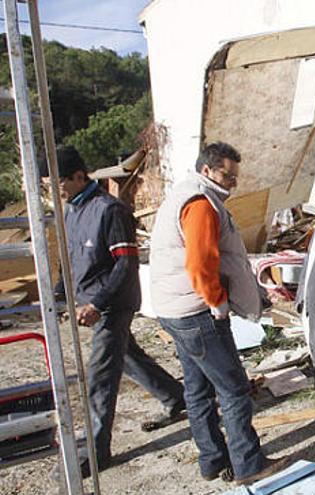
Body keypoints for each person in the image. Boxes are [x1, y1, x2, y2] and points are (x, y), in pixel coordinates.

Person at [149, 142, 285, 485]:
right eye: (227, 174)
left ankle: (212, 461)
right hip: (195, 311)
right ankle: (249, 465)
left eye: (236, 176)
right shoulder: (200, 205)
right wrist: (217, 301)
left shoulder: (186, 192)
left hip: (173, 308)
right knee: (234, 388)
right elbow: (199, 262)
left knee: (197, 389)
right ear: (207, 170)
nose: (233, 182)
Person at [50, 146, 186, 477]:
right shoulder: (72, 211)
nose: (55, 191)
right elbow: (70, 260)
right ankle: (176, 397)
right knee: (128, 357)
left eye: (58, 183)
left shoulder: (110, 211)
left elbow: (125, 265)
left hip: (113, 305)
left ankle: (96, 451)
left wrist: (97, 304)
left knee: (100, 376)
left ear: (79, 176)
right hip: (92, 302)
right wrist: (57, 295)